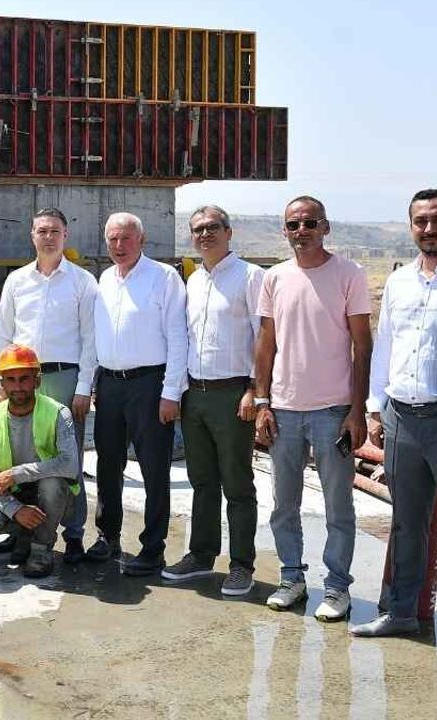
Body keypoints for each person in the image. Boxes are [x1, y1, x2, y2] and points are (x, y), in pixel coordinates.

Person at [352, 189, 437, 676]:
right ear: (410, 227)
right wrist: (376, 408)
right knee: (407, 523)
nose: (430, 229)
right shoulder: (400, 282)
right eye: (421, 221)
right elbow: (385, 346)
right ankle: (400, 612)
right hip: (403, 417)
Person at [254, 195, 371, 621]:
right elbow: (266, 344)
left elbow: (363, 346)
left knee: (338, 507)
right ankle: (292, 578)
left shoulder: (349, 274)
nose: (301, 231)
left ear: (326, 227)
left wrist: (357, 411)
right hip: (284, 410)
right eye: (293, 224)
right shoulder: (275, 278)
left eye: (309, 223)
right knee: (283, 504)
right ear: (284, 231)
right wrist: (262, 402)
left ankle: (337, 587)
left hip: (332, 412)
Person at [163, 206, 263, 596]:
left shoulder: (250, 277)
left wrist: (255, 390)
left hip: (233, 394)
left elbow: (264, 337)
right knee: (202, 481)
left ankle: (241, 565)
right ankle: (201, 555)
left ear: (229, 232)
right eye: (198, 229)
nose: (205, 234)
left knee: (237, 483)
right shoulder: (194, 280)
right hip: (196, 395)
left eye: (212, 228)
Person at [0, 207, 97, 563]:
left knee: (68, 461)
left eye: (54, 231)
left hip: (64, 378)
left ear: (66, 235)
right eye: (41, 231)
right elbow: (3, 334)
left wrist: (83, 387)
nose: (48, 237)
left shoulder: (82, 281)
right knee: (20, 456)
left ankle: (74, 534)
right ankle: (20, 531)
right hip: (20, 380)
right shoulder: (17, 281)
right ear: (32, 236)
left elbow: (90, 338)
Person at [90, 212, 188, 575]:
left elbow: (178, 337)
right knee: (107, 463)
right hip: (110, 384)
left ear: (142, 240)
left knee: (154, 468)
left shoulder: (163, 278)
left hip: (150, 384)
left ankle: (153, 547)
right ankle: (108, 536)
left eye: (126, 238)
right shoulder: (105, 279)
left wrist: (171, 392)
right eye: (113, 239)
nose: (119, 246)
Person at [0, 345, 81, 578]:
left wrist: (18, 473)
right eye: (11, 380)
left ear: (37, 380)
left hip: (54, 496)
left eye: (24, 379)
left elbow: (69, 464)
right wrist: (15, 509)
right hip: (15, 494)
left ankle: (41, 549)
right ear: (2, 384)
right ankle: (22, 535)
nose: (18, 386)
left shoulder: (57, 413)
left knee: (52, 484)